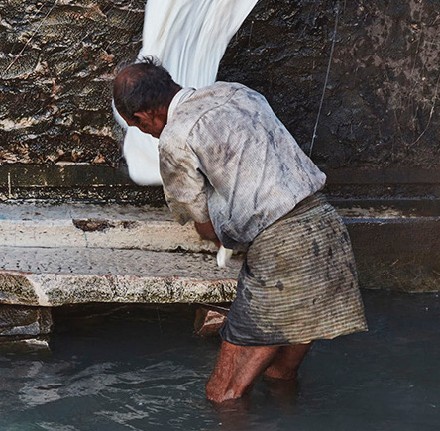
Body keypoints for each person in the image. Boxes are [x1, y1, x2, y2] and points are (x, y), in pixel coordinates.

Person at [113, 57, 368, 403]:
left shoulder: (175, 137)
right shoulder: (236, 92)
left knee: (223, 392)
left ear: (142, 117)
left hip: (282, 248)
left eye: (137, 127)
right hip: (327, 226)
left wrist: (226, 234)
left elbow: (202, 224)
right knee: (281, 374)